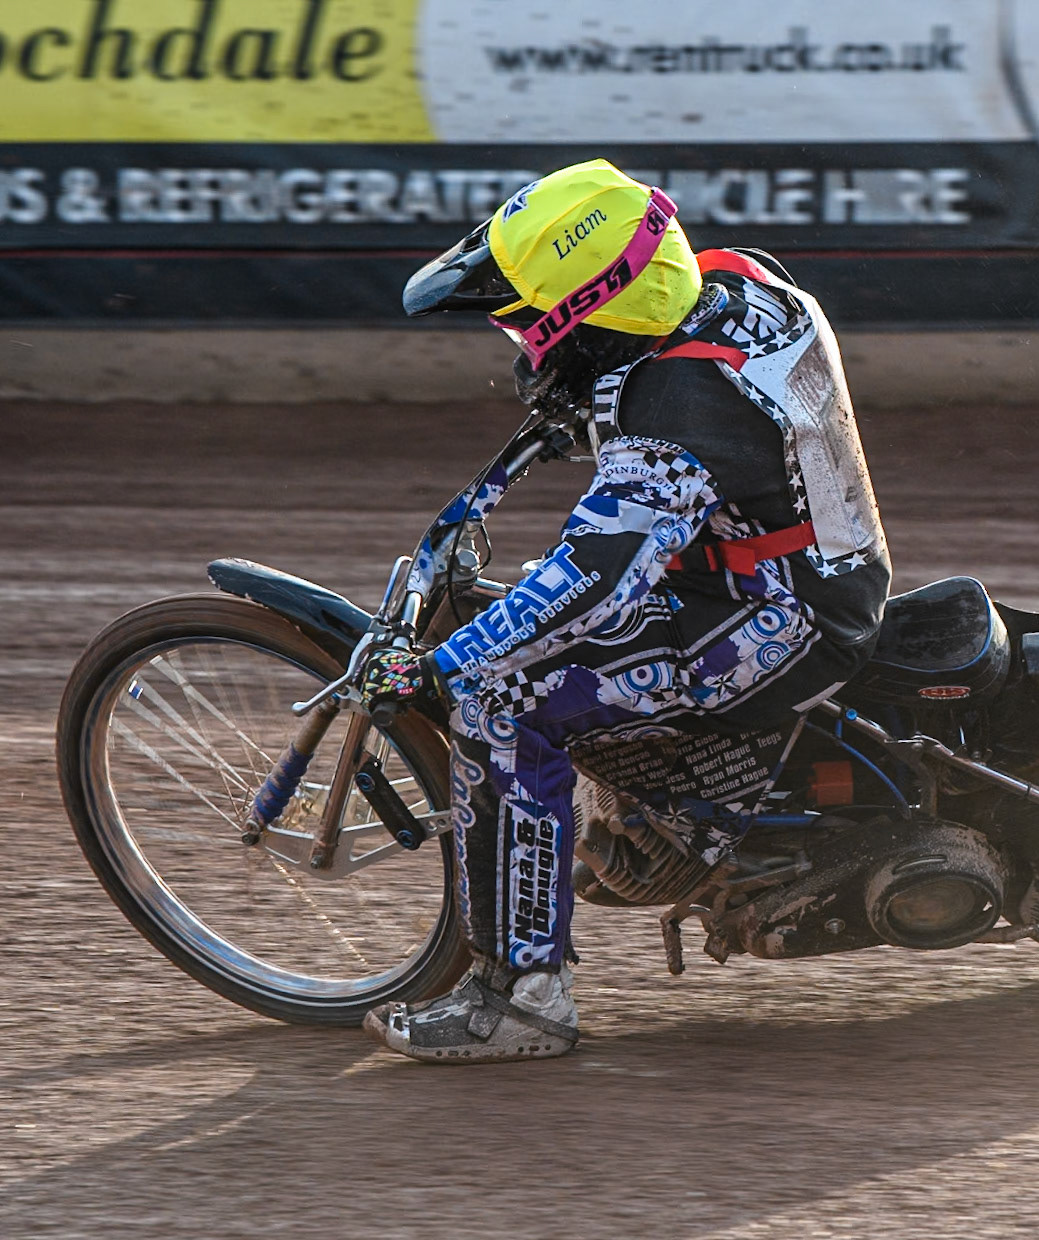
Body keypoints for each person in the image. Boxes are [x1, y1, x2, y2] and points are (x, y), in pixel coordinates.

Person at [356, 159, 891, 1063]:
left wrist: (439, 668)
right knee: (515, 631)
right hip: (802, 565)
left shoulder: (675, 417)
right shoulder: (740, 282)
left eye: (528, 322)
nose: (521, 341)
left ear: (597, 308)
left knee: (497, 698)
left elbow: (597, 580)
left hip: (776, 621)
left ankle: (521, 1001)